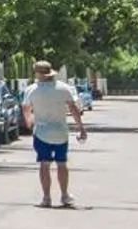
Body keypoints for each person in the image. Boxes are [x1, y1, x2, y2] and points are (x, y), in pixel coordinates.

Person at [22, 60, 89, 209]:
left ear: (37, 74)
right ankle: (64, 194)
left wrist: (29, 122)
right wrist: (81, 128)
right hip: (60, 131)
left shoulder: (31, 90)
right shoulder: (64, 88)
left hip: (41, 131)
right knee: (62, 164)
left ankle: (46, 197)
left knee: (44, 164)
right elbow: (73, 109)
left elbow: (26, 108)